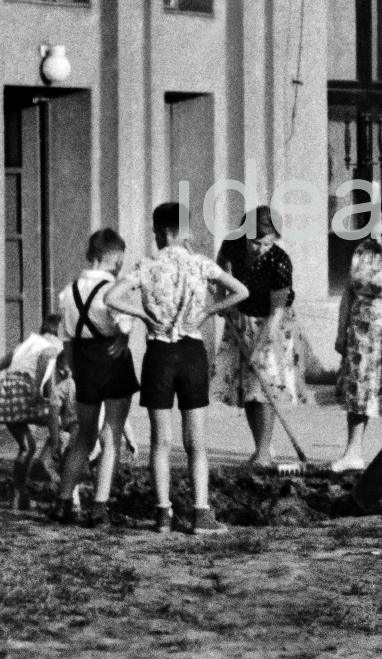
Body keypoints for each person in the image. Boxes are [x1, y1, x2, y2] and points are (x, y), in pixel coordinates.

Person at [113, 201, 249, 535]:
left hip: (159, 352)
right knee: (196, 441)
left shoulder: (147, 264)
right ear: (184, 230)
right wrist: (208, 312)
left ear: (160, 231)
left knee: (161, 440)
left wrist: (143, 315)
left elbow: (112, 298)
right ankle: (201, 513)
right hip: (191, 350)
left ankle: (163, 513)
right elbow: (241, 291)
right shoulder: (199, 264)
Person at [49, 229, 139, 527]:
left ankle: (63, 502)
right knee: (111, 436)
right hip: (112, 361)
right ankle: (99, 509)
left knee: (83, 438)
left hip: (84, 364)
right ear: (115, 256)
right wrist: (124, 338)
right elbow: (125, 325)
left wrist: (76, 369)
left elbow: (66, 339)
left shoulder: (67, 292)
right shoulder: (113, 289)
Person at [211, 206, 304, 468]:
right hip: (240, 319)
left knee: (263, 388)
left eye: (266, 243)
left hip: (271, 325)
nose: (259, 248)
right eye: (254, 241)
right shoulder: (231, 245)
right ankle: (261, 449)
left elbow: (276, 312)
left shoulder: (280, 262)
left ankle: (263, 453)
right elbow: (222, 276)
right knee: (247, 390)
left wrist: (259, 349)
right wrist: (223, 303)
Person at [331, 203, 382, 473]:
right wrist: (341, 331)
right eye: (374, 234)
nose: (378, 241)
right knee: (357, 391)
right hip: (360, 333)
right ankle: (353, 452)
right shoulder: (363, 250)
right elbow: (348, 292)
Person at [0, 313, 66, 511]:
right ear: (59, 331)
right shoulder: (54, 344)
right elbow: (46, 358)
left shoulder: (25, 345)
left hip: (5, 392)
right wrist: (39, 387)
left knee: (26, 447)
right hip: (25, 388)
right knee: (61, 419)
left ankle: (18, 498)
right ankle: (46, 460)